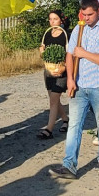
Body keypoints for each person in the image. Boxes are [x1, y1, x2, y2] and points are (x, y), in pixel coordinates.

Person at [50, 0, 99, 179]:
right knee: (74, 124)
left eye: (89, 14)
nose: (86, 18)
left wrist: (85, 54)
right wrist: (70, 80)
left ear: (98, 11)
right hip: (79, 85)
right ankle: (69, 165)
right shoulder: (78, 30)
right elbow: (70, 55)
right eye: (83, 14)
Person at [37, 10, 69, 139]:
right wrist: (41, 52)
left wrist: (65, 68)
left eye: (55, 19)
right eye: (50, 19)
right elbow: (43, 55)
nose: (52, 22)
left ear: (61, 20)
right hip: (49, 70)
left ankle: (49, 129)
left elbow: (70, 55)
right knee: (53, 99)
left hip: (61, 71)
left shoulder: (66, 35)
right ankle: (65, 119)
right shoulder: (47, 35)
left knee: (53, 100)